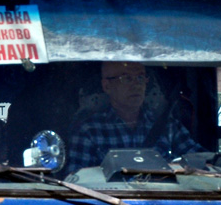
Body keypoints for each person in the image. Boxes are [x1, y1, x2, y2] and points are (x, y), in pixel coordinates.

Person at [68, 61, 202, 170]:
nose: (136, 85)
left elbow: (202, 162)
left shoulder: (169, 127)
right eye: (126, 79)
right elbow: (77, 186)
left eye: (140, 77)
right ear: (107, 86)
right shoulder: (90, 131)